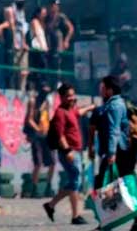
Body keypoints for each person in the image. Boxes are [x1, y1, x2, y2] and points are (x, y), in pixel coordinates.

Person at [95, 75, 137, 231]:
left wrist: (111, 153)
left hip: (118, 151)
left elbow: (114, 131)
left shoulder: (115, 106)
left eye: (103, 87)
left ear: (110, 90)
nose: (101, 90)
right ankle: (135, 222)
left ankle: (107, 223)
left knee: (104, 184)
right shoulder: (114, 104)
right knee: (124, 183)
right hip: (121, 150)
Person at [42, 83, 95, 225]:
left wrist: (90, 107)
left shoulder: (70, 110)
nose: (72, 98)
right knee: (75, 181)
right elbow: (60, 135)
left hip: (76, 151)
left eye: (73, 95)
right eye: (68, 96)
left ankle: (51, 205)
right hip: (69, 152)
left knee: (74, 181)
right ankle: (75, 216)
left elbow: (79, 112)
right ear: (61, 97)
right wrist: (67, 151)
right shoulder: (60, 113)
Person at [24, 83, 56, 198]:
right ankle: (34, 188)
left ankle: (48, 186)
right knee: (38, 163)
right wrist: (38, 129)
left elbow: (47, 117)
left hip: (46, 135)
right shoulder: (33, 101)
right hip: (36, 136)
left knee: (52, 162)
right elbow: (29, 119)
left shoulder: (46, 102)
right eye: (44, 91)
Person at [45, 0, 74, 84]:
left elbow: (71, 28)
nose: (54, 7)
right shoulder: (47, 17)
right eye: (53, 5)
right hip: (49, 43)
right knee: (49, 63)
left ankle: (59, 82)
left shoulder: (61, 17)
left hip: (58, 43)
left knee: (58, 62)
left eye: (56, 5)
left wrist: (66, 40)